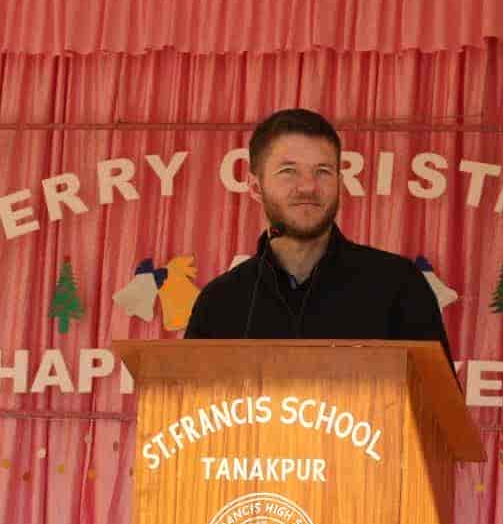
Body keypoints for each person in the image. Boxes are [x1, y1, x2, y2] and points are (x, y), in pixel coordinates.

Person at [184, 108, 453, 371]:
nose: (308, 186)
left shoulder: (399, 285)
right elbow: (190, 398)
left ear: (339, 182)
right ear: (256, 187)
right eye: (288, 170)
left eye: (323, 171)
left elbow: (435, 398)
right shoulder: (219, 301)